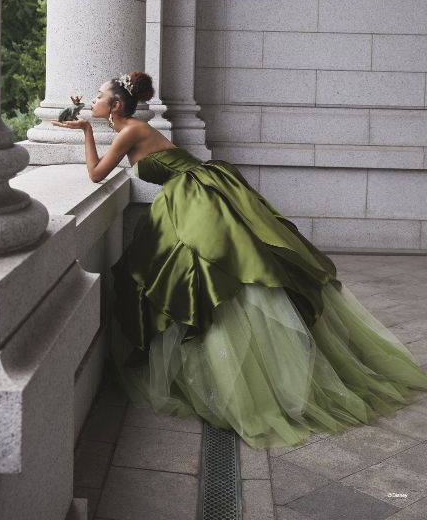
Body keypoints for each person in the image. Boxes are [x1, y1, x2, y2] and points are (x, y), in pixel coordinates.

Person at [52, 71, 427, 450]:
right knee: (206, 269)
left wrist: (85, 131)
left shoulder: (130, 129)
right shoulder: (131, 127)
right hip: (195, 190)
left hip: (195, 195)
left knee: (216, 268)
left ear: (115, 104)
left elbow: (96, 174)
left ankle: (252, 376)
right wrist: (86, 128)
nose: (94, 100)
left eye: (100, 96)